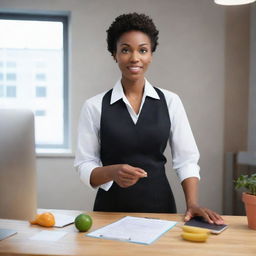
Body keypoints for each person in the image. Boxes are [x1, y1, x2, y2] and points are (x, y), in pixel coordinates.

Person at [74, 13, 224, 225]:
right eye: (125, 50)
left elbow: (186, 160)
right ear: (114, 54)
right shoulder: (94, 106)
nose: (135, 58)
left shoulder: (171, 101)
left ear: (151, 54)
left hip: (161, 210)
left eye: (143, 50)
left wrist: (192, 204)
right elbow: (84, 165)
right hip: (109, 213)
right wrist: (112, 172)